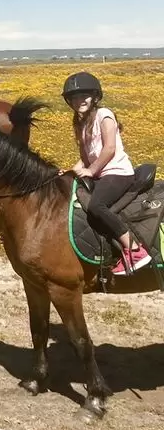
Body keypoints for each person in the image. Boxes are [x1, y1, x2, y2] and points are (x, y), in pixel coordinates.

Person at [61, 71, 151, 276]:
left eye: (84, 95)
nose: (79, 100)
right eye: (74, 97)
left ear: (95, 97)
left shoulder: (105, 115)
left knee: (96, 205)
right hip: (101, 174)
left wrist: (91, 171)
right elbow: (85, 157)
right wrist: (69, 172)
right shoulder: (80, 124)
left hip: (118, 172)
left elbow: (109, 148)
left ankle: (135, 250)